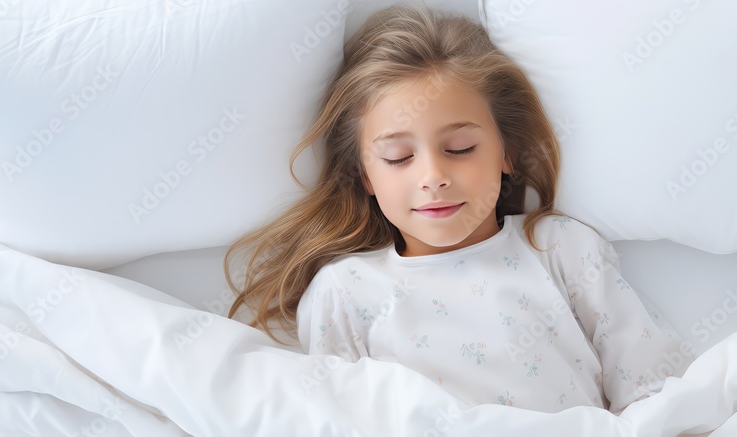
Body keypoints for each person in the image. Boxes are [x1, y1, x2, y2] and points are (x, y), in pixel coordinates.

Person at [225, 2, 691, 415]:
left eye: (461, 147)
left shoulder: (559, 248)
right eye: (398, 158)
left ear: (506, 153)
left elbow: (652, 389)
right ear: (366, 176)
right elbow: (336, 420)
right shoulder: (344, 294)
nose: (432, 176)